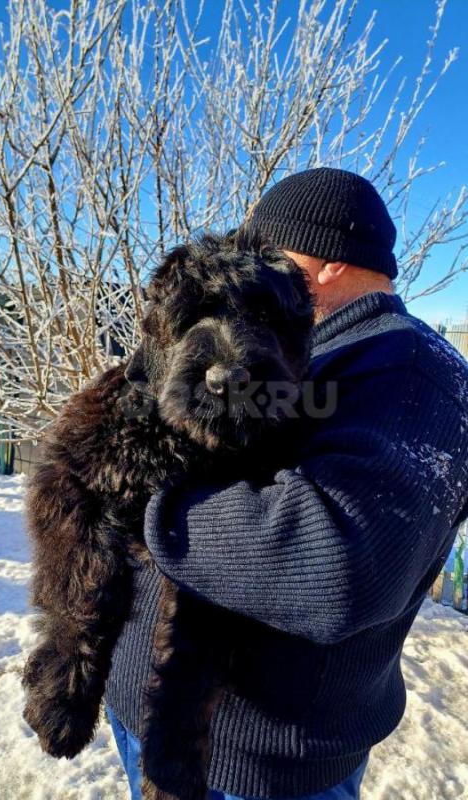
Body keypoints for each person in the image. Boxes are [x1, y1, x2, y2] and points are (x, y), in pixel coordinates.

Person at [104, 168, 468, 800]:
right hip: (155, 712)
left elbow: (336, 567)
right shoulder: (309, 350)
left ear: (325, 265)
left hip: (252, 765)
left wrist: (146, 500)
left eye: (269, 253)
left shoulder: (412, 375)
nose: (253, 273)